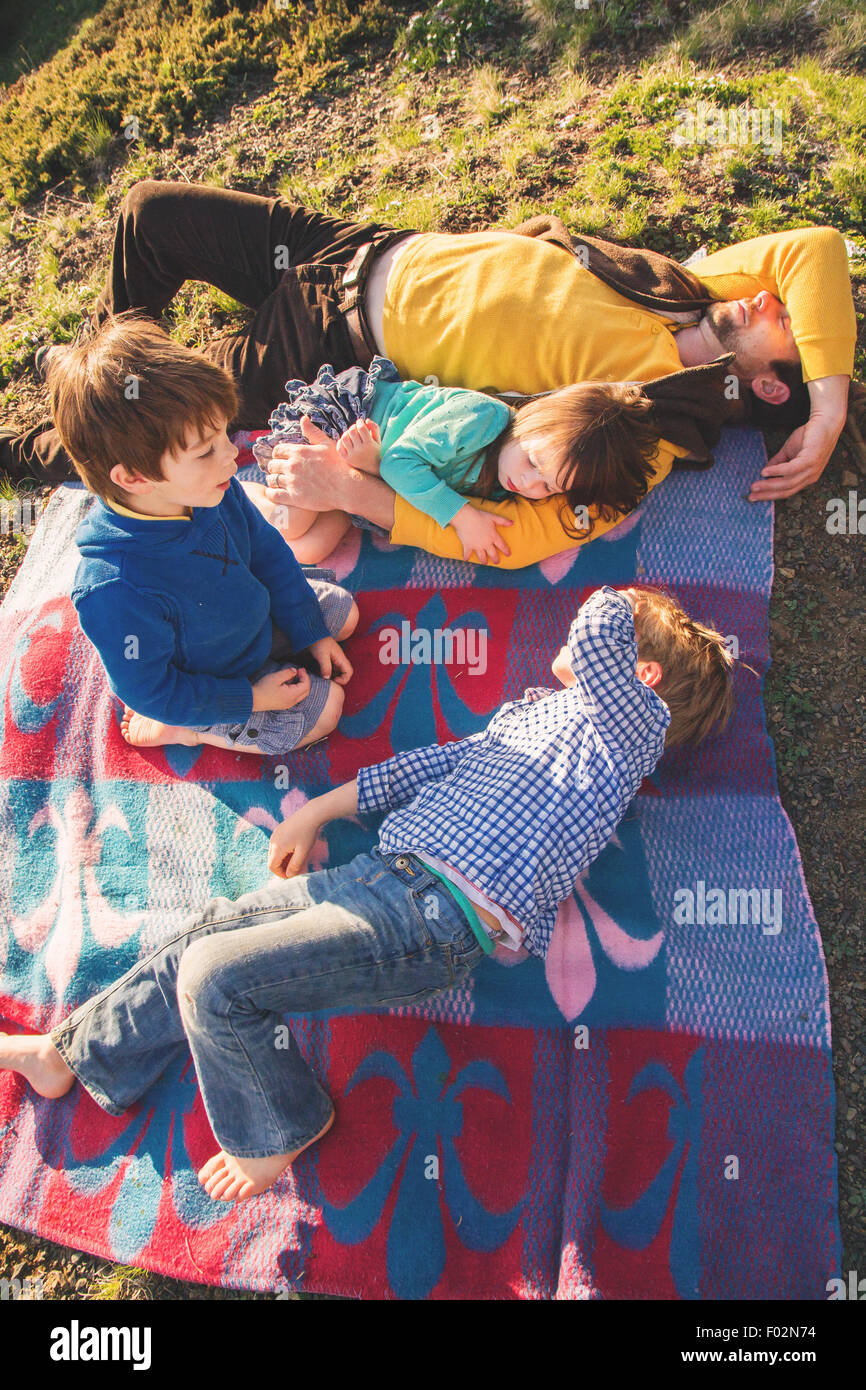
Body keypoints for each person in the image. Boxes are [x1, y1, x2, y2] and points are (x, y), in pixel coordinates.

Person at [0, 585, 735, 1202]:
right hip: (381, 878)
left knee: (213, 979)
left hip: (434, 921)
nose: (587, 631)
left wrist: (634, 599)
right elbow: (431, 765)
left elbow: (602, 620)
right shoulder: (533, 716)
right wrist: (319, 809)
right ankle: (77, 1055)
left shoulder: (628, 733)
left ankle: (279, 1124)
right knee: (206, 933)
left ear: (642, 676)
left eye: (616, 646)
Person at [2, 182, 855, 564]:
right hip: (359, 247)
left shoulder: (653, 420)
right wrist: (829, 406)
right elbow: (814, 250)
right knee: (150, 215)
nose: (772, 297)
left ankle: (51, 428)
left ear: (769, 385)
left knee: (151, 418)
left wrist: (358, 496)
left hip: (327, 344)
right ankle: (99, 362)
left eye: (788, 327)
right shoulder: (692, 287)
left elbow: (525, 537)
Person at [49, 313, 359, 757]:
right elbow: (154, 689)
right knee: (325, 710)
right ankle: (184, 732)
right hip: (210, 684)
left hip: (251, 623)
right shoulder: (115, 587)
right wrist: (252, 698)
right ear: (135, 477)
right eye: (206, 450)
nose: (233, 455)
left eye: (225, 435)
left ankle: (290, 641)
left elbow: (267, 552)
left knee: (342, 616)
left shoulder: (210, 489)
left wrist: (309, 630)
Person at [247, 354, 663, 565]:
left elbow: (395, 468)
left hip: (371, 461)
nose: (530, 483)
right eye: (534, 463)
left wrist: (368, 470)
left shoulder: (510, 477)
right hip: (349, 416)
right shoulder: (481, 420)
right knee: (296, 520)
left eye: (550, 487)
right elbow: (399, 462)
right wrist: (463, 517)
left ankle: (243, 549)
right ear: (529, 419)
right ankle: (237, 493)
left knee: (314, 549)